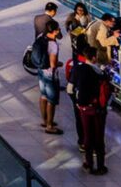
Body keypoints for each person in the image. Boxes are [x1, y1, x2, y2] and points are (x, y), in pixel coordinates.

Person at [72, 45, 110, 174]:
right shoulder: (99, 73)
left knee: (87, 135)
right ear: (94, 58)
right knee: (99, 137)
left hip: (83, 108)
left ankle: (88, 164)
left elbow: (71, 88)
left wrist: (78, 103)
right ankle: (100, 166)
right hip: (97, 109)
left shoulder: (78, 69)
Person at [36, 19, 63, 134]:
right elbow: (53, 64)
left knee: (43, 96)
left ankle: (45, 120)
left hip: (41, 71)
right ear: (55, 31)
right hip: (50, 75)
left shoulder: (41, 37)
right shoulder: (53, 45)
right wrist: (59, 64)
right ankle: (49, 126)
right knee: (51, 100)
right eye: (58, 29)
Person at [64, 44, 90, 150]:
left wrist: (75, 101)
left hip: (78, 99)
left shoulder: (73, 65)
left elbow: (69, 88)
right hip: (90, 101)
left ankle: (82, 142)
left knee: (79, 120)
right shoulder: (94, 69)